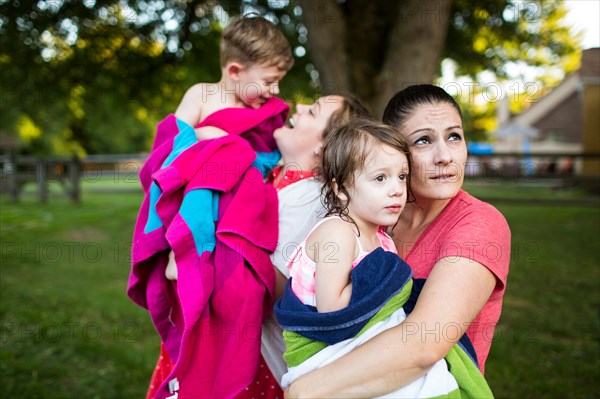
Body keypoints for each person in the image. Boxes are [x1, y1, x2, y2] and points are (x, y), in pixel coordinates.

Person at [284, 84, 511, 398]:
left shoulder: (478, 224)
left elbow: (424, 343)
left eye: (454, 136)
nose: (444, 156)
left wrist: (308, 389)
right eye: (423, 140)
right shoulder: (375, 218)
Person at [146, 95, 371, 399]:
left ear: (324, 147)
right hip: (220, 331)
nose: (299, 108)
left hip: (255, 354)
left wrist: (199, 257)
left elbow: (280, 289)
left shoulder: (313, 202)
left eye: (313, 111)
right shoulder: (274, 177)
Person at [129, 14, 293, 399]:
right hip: (197, 191)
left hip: (241, 205)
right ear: (235, 70)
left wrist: (241, 152)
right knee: (211, 163)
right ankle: (182, 249)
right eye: (269, 81)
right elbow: (168, 149)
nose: (275, 90)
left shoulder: (266, 115)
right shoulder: (202, 95)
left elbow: (270, 160)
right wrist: (206, 137)